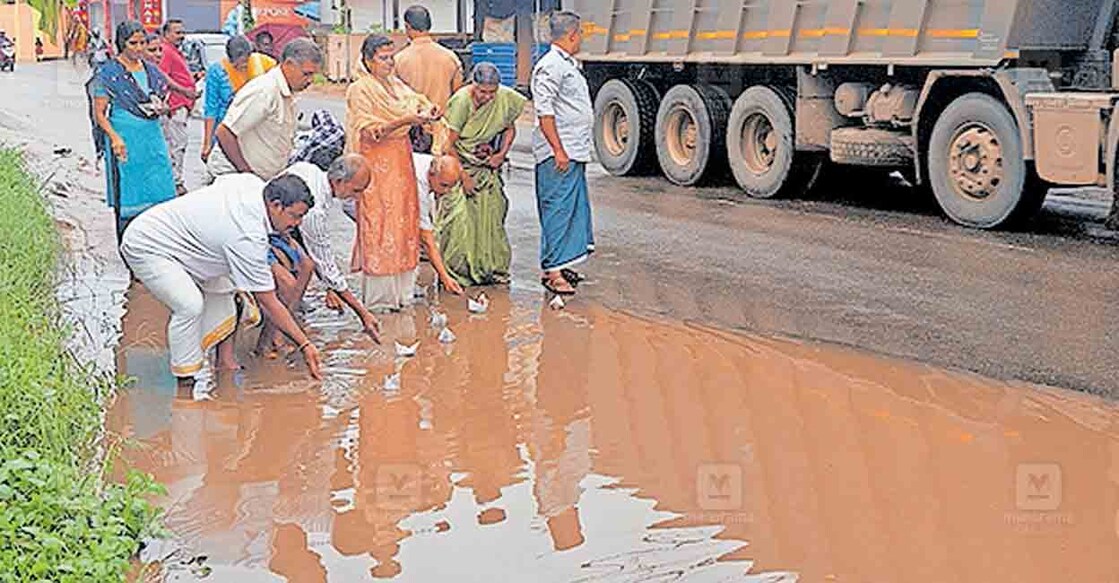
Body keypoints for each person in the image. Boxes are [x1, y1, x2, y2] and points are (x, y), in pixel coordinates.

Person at [119, 174, 323, 384]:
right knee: (189, 305)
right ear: (275, 205)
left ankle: (223, 362)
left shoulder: (254, 185)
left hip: (189, 243)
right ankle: (185, 379)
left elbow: (222, 181)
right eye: (294, 216)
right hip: (147, 245)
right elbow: (268, 301)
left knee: (230, 287)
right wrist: (305, 344)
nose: (297, 224)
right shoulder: (247, 236)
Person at [345, 34, 442, 312]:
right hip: (375, 166)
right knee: (378, 223)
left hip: (401, 163)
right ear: (368, 60)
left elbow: (419, 102)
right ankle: (379, 300)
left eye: (391, 57)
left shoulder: (396, 86)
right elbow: (370, 130)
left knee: (403, 222)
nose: (389, 63)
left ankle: (402, 295)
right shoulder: (361, 89)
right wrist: (407, 120)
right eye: (383, 58)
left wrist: (428, 111)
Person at [255, 154, 382, 356]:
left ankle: (280, 330)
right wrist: (362, 313)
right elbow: (326, 265)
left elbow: (318, 257)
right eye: (355, 191)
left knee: (306, 265)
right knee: (288, 284)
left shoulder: (311, 170)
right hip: (261, 233)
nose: (357, 198)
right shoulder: (313, 213)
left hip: (278, 229)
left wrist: (330, 288)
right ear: (338, 182)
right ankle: (269, 341)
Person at [440, 62, 526, 287]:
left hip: (487, 170)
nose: (487, 97)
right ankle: (459, 273)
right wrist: (463, 177)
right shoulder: (461, 102)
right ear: (473, 85)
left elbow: (510, 127)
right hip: (462, 168)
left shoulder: (505, 98)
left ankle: (492, 269)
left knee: (492, 220)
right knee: (459, 223)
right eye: (482, 92)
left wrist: (501, 154)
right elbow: (446, 144)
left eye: (492, 92)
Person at [88, 20, 176, 240]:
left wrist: (162, 107)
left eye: (142, 43)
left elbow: (162, 96)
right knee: (128, 192)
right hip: (125, 140)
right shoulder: (108, 73)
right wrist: (115, 138)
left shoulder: (151, 71)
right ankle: (129, 249)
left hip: (151, 136)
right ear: (121, 43)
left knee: (160, 187)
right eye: (133, 43)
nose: (138, 48)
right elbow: (99, 113)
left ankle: (158, 246)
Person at [531, 11, 594, 297]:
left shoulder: (568, 64)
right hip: (560, 152)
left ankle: (562, 262)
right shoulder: (550, 66)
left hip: (573, 150)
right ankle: (553, 272)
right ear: (571, 35)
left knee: (571, 210)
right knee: (557, 209)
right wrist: (558, 149)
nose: (581, 39)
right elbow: (545, 111)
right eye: (579, 34)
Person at [341, 153, 466, 297]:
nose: (446, 192)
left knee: (402, 235)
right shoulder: (418, 183)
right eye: (443, 186)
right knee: (388, 239)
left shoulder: (432, 165)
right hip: (358, 196)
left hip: (382, 192)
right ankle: (383, 292)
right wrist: (445, 278)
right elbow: (426, 238)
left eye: (451, 187)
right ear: (432, 175)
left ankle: (398, 285)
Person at [209, 38, 323, 180]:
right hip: (233, 177)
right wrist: (247, 174)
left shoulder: (287, 93)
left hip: (262, 179)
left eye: (313, 75)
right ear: (288, 64)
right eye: (306, 74)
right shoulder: (265, 91)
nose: (310, 80)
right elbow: (224, 132)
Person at [394, 4, 463, 154]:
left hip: (412, 131)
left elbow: (394, 99)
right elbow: (458, 99)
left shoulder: (399, 60)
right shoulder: (450, 58)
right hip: (443, 130)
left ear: (407, 26)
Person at [202, 35, 277, 162]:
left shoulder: (264, 64)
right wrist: (207, 143)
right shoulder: (217, 71)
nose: (244, 66)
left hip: (255, 129)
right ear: (230, 60)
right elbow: (211, 108)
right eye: (238, 63)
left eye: (246, 61)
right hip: (227, 128)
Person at [157, 19, 201, 195]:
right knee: (178, 143)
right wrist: (185, 90)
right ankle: (175, 182)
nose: (181, 36)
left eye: (182, 32)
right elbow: (163, 77)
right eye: (177, 32)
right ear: (166, 34)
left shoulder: (175, 51)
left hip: (182, 103)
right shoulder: (166, 51)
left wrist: (193, 79)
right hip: (175, 105)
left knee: (178, 143)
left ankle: (174, 180)